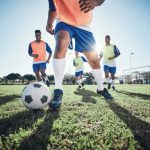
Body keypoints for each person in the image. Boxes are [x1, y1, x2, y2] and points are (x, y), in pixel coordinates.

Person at [46, 0, 113, 109]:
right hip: (64, 21)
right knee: (61, 42)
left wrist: (96, 2)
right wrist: (49, 23)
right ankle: (58, 90)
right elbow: (53, 8)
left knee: (94, 61)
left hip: (84, 25)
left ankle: (100, 88)